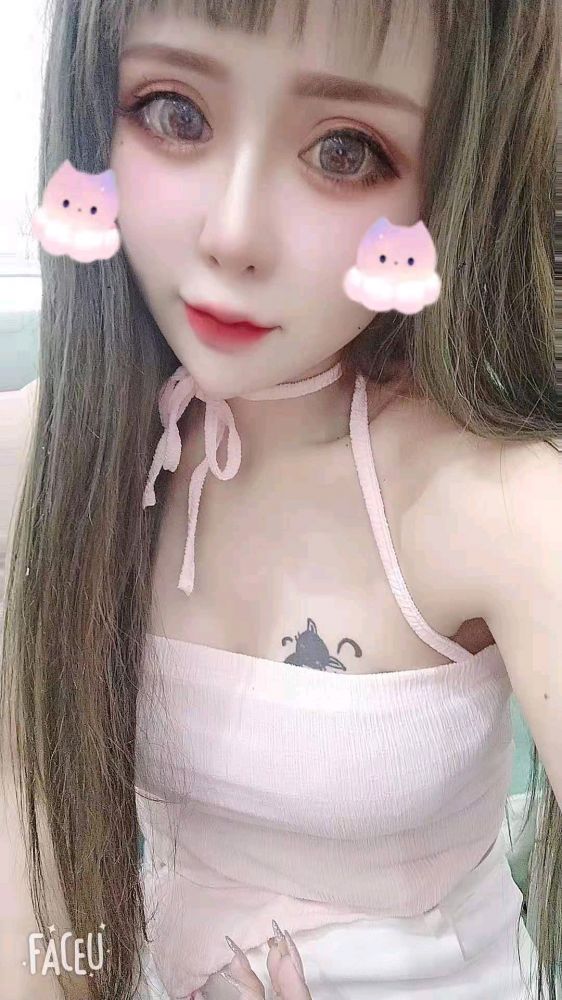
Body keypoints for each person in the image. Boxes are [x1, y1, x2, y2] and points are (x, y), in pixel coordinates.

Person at [0, 0, 560, 998]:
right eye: (173, 113)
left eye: (345, 151)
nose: (233, 234)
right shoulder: (39, 460)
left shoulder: (499, 499)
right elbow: (39, 916)